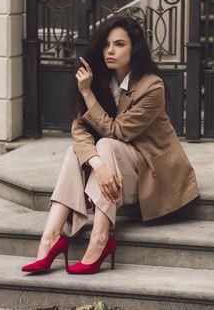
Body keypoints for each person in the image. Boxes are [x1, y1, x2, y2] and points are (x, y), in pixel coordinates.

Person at [21, 15, 199, 275]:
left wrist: (87, 94)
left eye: (119, 44)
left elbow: (118, 132)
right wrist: (98, 166)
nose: (110, 51)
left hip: (152, 172)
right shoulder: (100, 80)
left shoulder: (152, 86)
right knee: (78, 150)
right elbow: (79, 129)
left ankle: (100, 239)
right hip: (115, 173)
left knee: (105, 143)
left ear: (134, 48)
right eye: (106, 45)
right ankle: (50, 238)